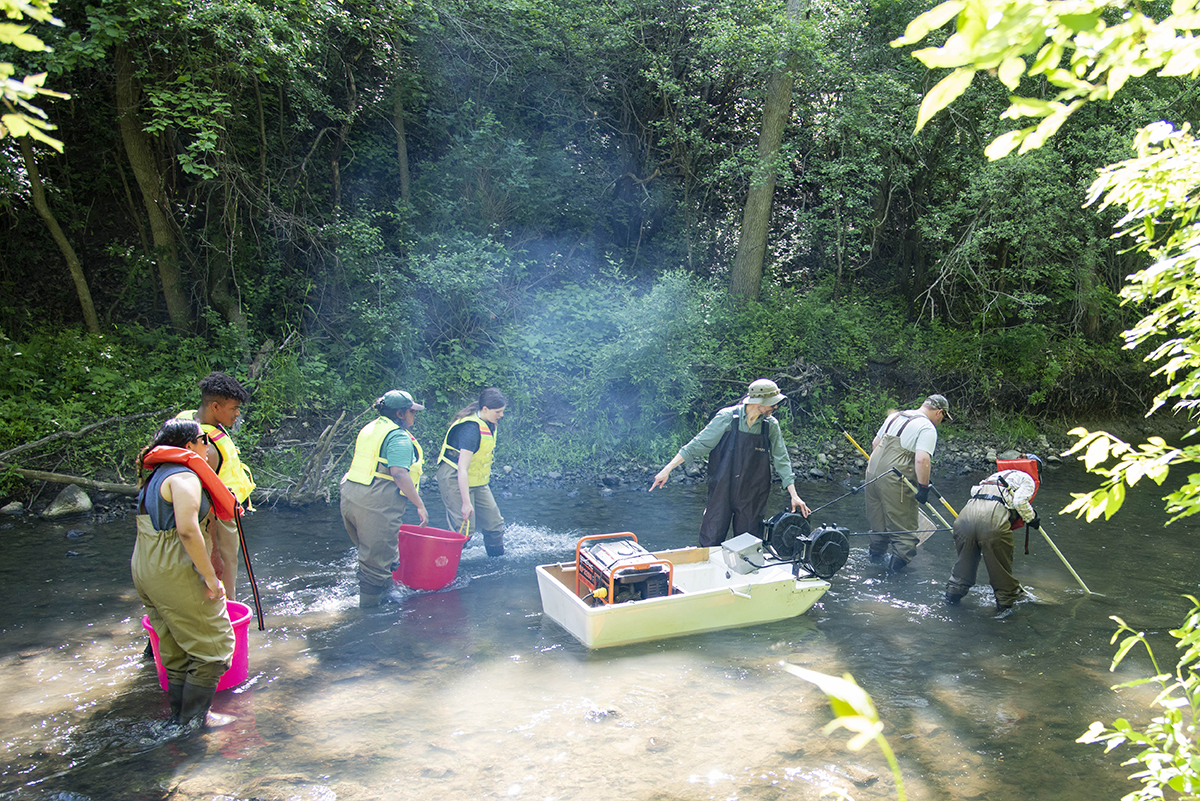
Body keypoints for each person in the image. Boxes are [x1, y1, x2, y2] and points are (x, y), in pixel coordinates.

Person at [132, 419, 238, 729]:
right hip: (174, 568)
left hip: (145, 567)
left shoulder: (155, 476)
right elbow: (188, 531)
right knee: (213, 652)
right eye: (204, 439)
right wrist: (209, 576)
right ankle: (194, 724)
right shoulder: (184, 476)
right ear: (189, 445)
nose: (208, 445)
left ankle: (178, 722)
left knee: (176, 651)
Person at [651, 379, 810, 547]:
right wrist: (667, 469)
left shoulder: (770, 426)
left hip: (752, 495)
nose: (775, 407)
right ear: (759, 402)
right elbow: (697, 445)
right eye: (772, 404)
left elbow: (781, 459)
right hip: (722, 490)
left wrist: (794, 495)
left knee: (746, 546)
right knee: (710, 540)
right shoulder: (726, 418)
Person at [340, 390, 429, 607]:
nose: (413, 416)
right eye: (411, 411)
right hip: (375, 501)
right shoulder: (398, 437)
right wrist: (420, 505)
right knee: (375, 564)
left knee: (374, 554)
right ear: (400, 414)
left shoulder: (372, 427)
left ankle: (385, 595)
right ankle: (369, 616)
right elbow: (399, 473)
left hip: (350, 495)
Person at [176, 372, 255, 600]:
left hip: (217, 516)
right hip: (218, 520)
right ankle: (227, 619)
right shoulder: (206, 449)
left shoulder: (190, 421)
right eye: (233, 408)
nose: (237, 413)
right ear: (214, 407)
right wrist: (215, 553)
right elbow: (206, 503)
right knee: (225, 568)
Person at [945, 455, 1044, 616]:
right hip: (992, 522)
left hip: (964, 519)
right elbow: (1019, 502)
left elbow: (974, 491)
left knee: (963, 568)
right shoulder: (1027, 479)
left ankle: (950, 601)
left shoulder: (995, 476)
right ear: (1037, 471)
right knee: (1001, 572)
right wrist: (1031, 518)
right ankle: (1005, 615)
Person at [864, 394, 951, 572]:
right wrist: (923, 487)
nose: (941, 422)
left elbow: (875, 444)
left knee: (878, 529)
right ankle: (893, 583)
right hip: (895, 480)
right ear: (939, 412)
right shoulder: (926, 427)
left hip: (871, 475)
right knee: (905, 538)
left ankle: (873, 568)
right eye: (943, 418)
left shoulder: (895, 416)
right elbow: (922, 460)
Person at [435, 388, 509, 557]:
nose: (501, 415)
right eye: (498, 412)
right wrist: (466, 503)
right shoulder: (470, 430)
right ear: (485, 409)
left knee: (495, 525)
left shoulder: (489, 422)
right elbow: (462, 468)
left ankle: (497, 562)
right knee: (465, 528)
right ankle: (446, 566)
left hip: (477, 480)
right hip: (455, 476)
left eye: (502, 411)